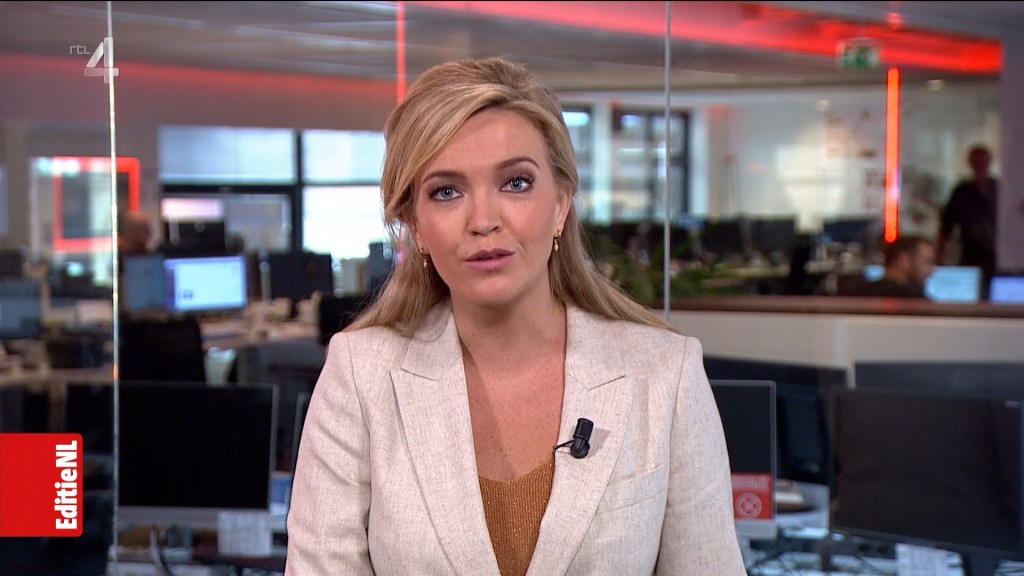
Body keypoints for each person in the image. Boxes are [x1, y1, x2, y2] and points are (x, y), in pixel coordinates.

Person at [285, 57, 745, 575]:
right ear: (416, 224)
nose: (484, 221)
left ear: (561, 204)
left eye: (516, 183)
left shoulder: (664, 374)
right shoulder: (360, 376)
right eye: (446, 192)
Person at [936, 144, 997, 298]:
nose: (980, 166)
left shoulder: (998, 189)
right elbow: (947, 225)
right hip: (971, 252)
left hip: (997, 252)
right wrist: (939, 254)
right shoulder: (962, 191)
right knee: (971, 289)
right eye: (977, 162)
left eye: (983, 162)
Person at [836, 234, 935, 298]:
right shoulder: (916, 303)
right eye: (927, 262)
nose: (931, 271)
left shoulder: (852, 297)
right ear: (905, 260)